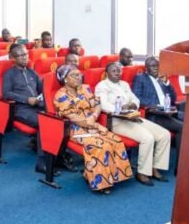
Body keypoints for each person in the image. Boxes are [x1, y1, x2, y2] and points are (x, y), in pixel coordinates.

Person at [53, 64, 132, 194]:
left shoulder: (86, 88)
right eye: (75, 75)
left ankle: (112, 176)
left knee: (116, 141)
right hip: (76, 128)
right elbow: (72, 117)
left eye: (80, 74)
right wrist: (93, 125)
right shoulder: (60, 95)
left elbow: (97, 104)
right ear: (65, 79)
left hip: (93, 122)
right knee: (101, 145)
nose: (79, 77)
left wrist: (95, 115)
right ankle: (100, 182)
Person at [95, 63, 171, 185]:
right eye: (114, 71)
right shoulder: (102, 86)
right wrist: (120, 109)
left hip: (133, 117)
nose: (117, 73)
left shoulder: (124, 84)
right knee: (148, 138)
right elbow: (103, 105)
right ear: (106, 73)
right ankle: (142, 172)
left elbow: (136, 99)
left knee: (164, 134)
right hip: (117, 121)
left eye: (119, 71)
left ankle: (155, 167)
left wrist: (133, 105)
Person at [2, 44, 48, 172]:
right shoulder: (9, 74)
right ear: (13, 58)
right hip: (21, 109)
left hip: (37, 105)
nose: (24, 58)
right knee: (44, 123)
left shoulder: (32, 72)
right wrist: (27, 99)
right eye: (20, 55)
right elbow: (6, 94)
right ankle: (42, 161)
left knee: (56, 119)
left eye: (26, 54)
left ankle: (57, 156)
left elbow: (42, 89)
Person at [132, 57, 183, 147]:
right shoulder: (141, 78)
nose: (156, 68)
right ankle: (180, 160)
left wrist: (167, 83)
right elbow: (137, 97)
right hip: (155, 115)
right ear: (146, 68)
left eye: (157, 65)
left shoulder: (161, 79)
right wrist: (158, 104)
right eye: (152, 66)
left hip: (168, 112)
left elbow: (173, 98)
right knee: (182, 127)